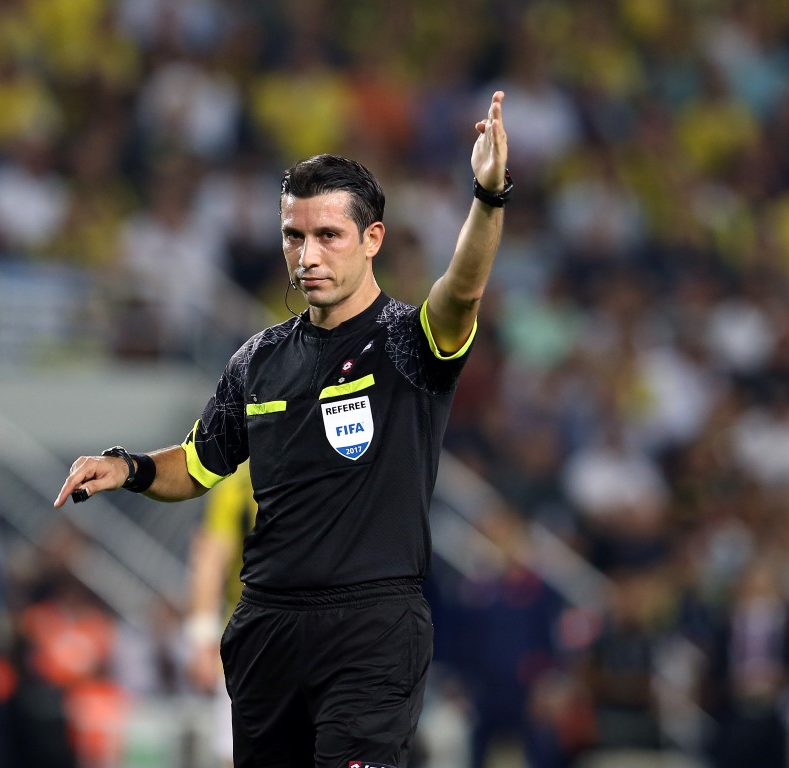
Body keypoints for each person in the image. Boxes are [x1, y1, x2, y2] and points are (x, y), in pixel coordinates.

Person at [55, 90, 511, 768]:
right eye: (295, 236)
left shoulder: (408, 344)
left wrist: (488, 196)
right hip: (267, 627)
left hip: (371, 626)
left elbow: (462, 290)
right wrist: (131, 468)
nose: (308, 255)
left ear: (372, 239)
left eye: (328, 235)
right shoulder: (259, 359)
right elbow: (199, 465)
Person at [186, 461, 257, 768]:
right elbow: (211, 560)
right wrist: (204, 641)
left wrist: (203, 641)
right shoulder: (241, 482)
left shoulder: (242, 479)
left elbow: (210, 560)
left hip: (250, 637)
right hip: (252, 637)